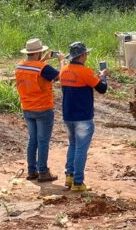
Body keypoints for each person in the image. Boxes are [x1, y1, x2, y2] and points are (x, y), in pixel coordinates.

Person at [59, 41, 107, 192]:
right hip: (83, 117)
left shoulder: (64, 70)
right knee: (81, 149)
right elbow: (102, 89)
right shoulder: (85, 72)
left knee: (73, 145)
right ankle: (78, 183)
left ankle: (70, 176)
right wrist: (103, 77)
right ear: (82, 55)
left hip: (68, 115)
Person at [14, 38, 60, 182]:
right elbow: (59, 76)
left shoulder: (20, 66)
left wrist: (44, 60)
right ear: (39, 53)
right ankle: (43, 171)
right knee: (43, 141)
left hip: (27, 108)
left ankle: (31, 171)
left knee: (32, 140)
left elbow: (34, 71)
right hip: (43, 108)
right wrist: (61, 61)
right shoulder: (42, 68)